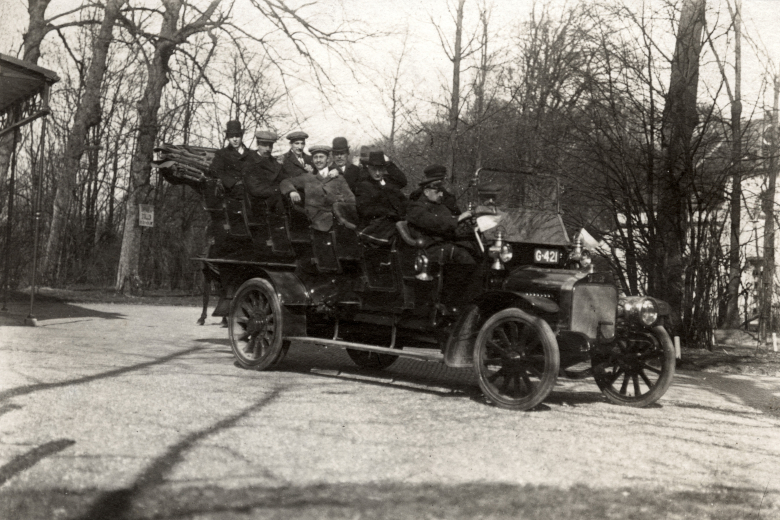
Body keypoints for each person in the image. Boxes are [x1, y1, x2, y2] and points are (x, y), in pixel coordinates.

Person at [406, 166, 475, 265]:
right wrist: (457, 219)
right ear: (426, 192)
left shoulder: (439, 205)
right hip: (429, 249)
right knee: (462, 255)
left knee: (475, 248)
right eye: (437, 191)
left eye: (441, 191)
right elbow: (434, 221)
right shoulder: (415, 208)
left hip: (443, 244)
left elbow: (448, 223)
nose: (441, 195)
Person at [280, 145, 355, 232]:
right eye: (315, 157)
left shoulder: (338, 177)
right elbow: (285, 182)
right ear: (312, 160)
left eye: (321, 157)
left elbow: (350, 199)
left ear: (328, 159)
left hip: (340, 219)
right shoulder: (307, 177)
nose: (318, 160)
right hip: (318, 219)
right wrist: (292, 191)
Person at [354, 151, 407, 243]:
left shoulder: (388, 181)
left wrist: (389, 163)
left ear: (384, 169)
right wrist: (389, 212)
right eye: (374, 169)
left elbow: (402, 181)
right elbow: (366, 210)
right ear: (369, 168)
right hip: (375, 225)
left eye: (380, 169)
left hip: (395, 220)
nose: (377, 173)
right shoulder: (363, 185)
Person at [243, 129, 284, 217]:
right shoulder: (249, 162)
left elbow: (282, 179)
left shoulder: (275, 162)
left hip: (274, 200)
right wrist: (278, 190)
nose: (268, 149)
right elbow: (255, 189)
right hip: (259, 204)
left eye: (270, 145)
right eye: (264, 145)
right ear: (257, 144)